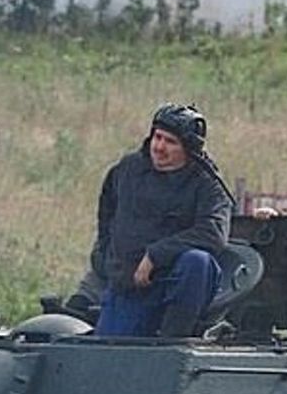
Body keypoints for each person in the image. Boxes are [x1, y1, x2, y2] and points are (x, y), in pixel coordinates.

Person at [91, 103, 234, 338]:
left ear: (188, 149)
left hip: (174, 283)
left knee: (198, 261)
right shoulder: (128, 170)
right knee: (108, 356)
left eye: (170, 142)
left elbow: (213, 232)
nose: (159, 147)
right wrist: (110, 259)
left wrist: (156, 255)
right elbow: (107, 213)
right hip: (128, 285)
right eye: (157, 137)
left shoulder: (207, 184)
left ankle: (173, 340)